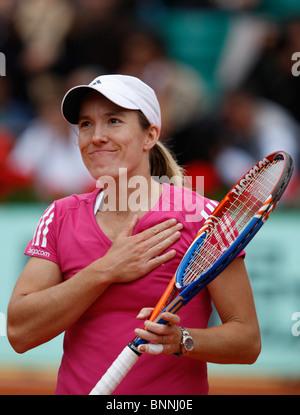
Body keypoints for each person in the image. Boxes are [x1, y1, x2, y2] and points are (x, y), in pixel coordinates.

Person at [7, 74, 261, 395]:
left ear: (149, 135)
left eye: (114, 121)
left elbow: (247, 340)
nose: (96, 136)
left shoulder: (204, 218)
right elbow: (19, 332)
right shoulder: (60, 215)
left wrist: (180, 340)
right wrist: (105, 270)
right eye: (86, 124)